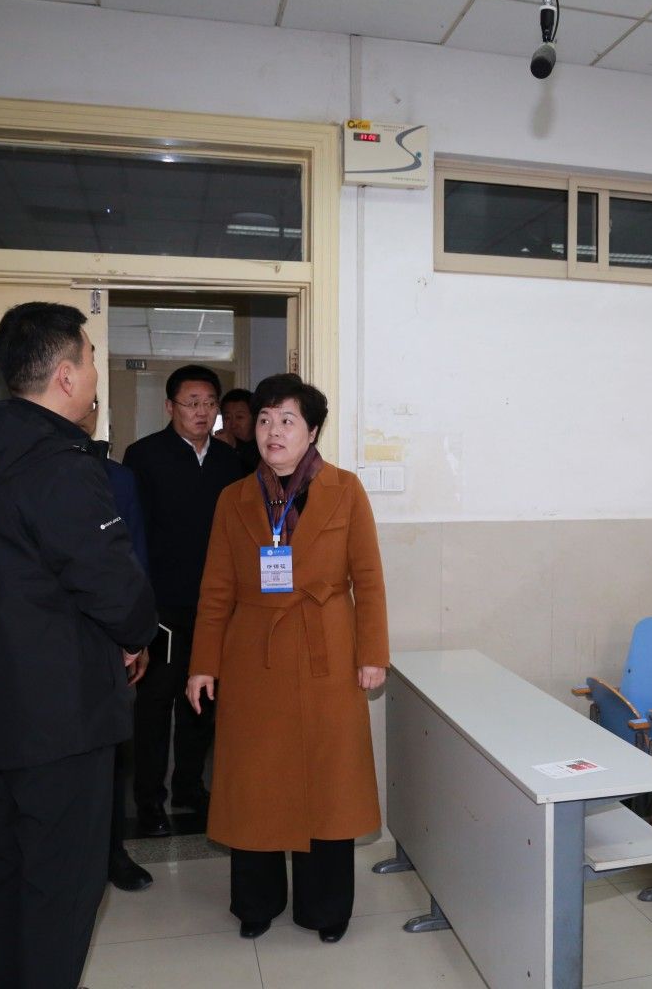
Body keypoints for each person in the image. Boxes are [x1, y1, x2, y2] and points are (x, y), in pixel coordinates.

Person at [0, 302, 158, 988]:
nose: (94, 375)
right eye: (90, 360)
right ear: (65, 375)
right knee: (61, 887)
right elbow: (112, 584)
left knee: (9, 870)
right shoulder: (59, 465)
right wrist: (137, 635)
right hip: (61, 720)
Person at [187, 372, 389, 945]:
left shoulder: (345, 490)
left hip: (328, 649)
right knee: (255, 782)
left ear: (313, 430)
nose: (273, 431)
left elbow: (369, 580)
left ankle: (326, 908)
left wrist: (373, 653)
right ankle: (257, 901)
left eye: (287, 420)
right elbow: (216, 589)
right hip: (255, 655)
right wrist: (203, 664)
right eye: (265, 419)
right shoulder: (233, 498)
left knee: (329, 781)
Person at [123, 365, 252, 837]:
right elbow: (132, 535)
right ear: (170, 407)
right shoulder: (144, 457)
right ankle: (149, 801)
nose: (202, 412)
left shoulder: (229, 462)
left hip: (215, 607)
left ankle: (190, 788)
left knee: (203, 703)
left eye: (209, 403)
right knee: (156, 705)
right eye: (191, 403)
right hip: (163, 605)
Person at [76, 405, 154, 893]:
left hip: (109, 639)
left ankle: (112, 852)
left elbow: (134, 560)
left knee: (112, 751)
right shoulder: (18, 473)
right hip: (46, 641)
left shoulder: (118, 480)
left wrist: (137, 636)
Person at [216, 386, 260, 469]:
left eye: (239, 417)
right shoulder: (220, 445)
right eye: (227, 418)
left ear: (255, 418)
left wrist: (236, 445)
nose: (233, 425)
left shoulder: (264, 446)